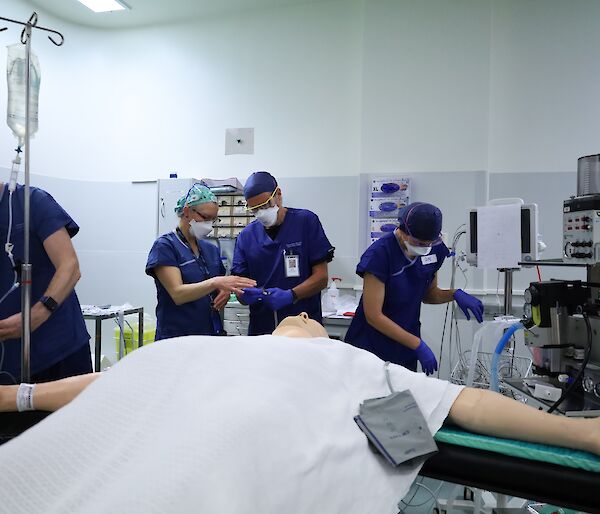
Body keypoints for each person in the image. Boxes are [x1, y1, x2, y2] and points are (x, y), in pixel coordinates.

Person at [0, 314, 598, 514]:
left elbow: (104, 386)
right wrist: (578, 432)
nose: (309, 318)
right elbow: (467, 403)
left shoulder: (198, 350)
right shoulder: (344, 362)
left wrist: (18, 396)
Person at [345, 202, 484, 375]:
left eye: (429, 243)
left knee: (403, 396)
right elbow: (374, 316)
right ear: (402, 231)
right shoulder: (380, 254)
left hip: (406, 342)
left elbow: (429, 295)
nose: (424, 248)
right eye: (418, 242)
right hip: (372, 344)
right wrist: (417, 344)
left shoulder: (436, 250)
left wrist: (455, 294)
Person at [0, 182, 91, 385]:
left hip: (58, 352)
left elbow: (70, 266)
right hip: (8, 362)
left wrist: (36, 315)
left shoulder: (31, 202)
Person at [146, 184, 256, 340]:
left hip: (207, 334)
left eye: (213, 219)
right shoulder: (165, 246)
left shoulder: (210, 249)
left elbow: (219, 286)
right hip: (176, 336)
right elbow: (178, 294)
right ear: (186, 211)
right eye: (205, 218)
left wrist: (224, 292)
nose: (209, 224)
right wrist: (215, 283)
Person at [232, 171, 335, 335]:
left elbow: (321, 278)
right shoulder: (246, 237)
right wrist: (245, 295)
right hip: (262, 329)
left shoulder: (306, 222)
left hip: (303, 325)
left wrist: (291, 295)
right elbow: (239, 286)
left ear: (278, 194)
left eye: (265, 205)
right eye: (255, 209)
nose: (261, 212)